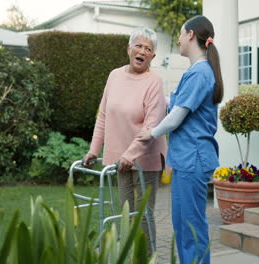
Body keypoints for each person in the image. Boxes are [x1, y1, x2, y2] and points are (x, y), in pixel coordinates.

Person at [136, 15, 224, 264]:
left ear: (190, 35)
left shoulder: (200, 73)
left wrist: (151, 133)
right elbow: (173, 105)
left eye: (180, 33)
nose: (177, 38)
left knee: (190, 228)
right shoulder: (198, 71)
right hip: (189, 159)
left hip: (192, 159)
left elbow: (176, 117)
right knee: (185, 225)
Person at [83, 27, 167, 254]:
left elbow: (151, 125)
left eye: (148, 49)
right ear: (128, 49)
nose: (142, 51)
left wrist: (130, 156)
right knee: (124, 211)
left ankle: (147, 258)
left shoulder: (154, 82)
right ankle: (127, 255)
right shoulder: (115, 76)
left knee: (142, 215)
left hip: (145, 160)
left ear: (153, 56)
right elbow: (103, 115)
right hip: (119, 158)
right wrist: (93, 150)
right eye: (138, 46)